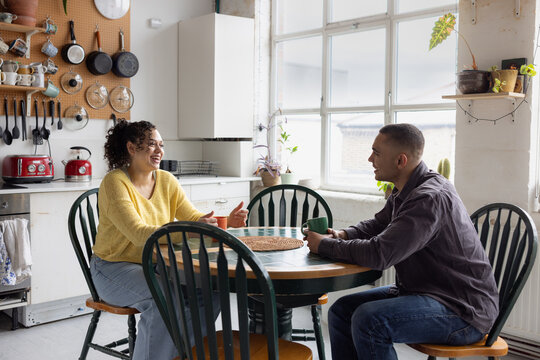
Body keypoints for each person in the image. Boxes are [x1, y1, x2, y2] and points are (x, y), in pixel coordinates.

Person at [305, 123, 499, 360]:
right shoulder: (407, 188)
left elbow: (380, 254)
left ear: (400, 161)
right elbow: (378, 224)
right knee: (341, 311)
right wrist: (342, 235)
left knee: (370, 321)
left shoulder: (428, 198)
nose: (369, 159)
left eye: (376, 153)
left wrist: (324, 245)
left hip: (462, 310)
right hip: (426, 291)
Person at [90, 120, 248, 360]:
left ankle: (190, 354)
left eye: (161, 145)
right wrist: (190, 229)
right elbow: (138, 233)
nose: (159, 151)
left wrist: (225, 222)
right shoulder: (115, 183)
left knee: (212, 288)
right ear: (132, 148)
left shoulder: (166, 180)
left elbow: (193, 217)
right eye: (151, 144)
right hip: (112, 268)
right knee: (164, 296)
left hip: (154, 266)